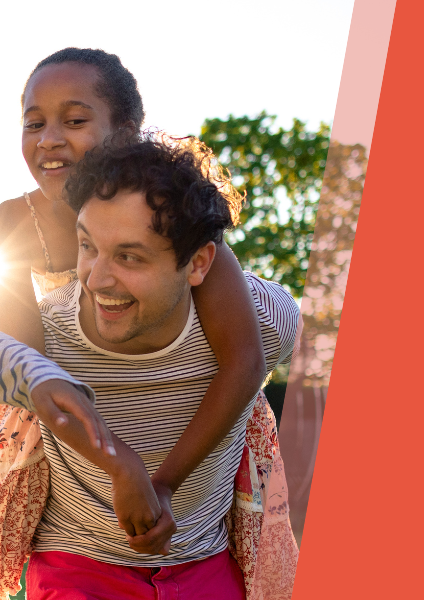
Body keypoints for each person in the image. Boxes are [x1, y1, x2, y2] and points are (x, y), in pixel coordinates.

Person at [0, 47, 288, 600]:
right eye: (33, 123)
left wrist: (163, 484)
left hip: (181, 439)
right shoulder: (12, 224)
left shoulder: (170, 211)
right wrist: (123, 467)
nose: (49, 138)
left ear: (127, 130)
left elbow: (242, 358)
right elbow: (27, 378)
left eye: (75, 120)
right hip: (78, 474)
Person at [27, 133, 300, 598]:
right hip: (77, 560)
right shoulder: (46, 335)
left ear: (198, 264)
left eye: (129, 256)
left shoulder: (269, 322)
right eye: (88, 246)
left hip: (204, 560)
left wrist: (167, 484)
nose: (97, 279)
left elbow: (245, 364)